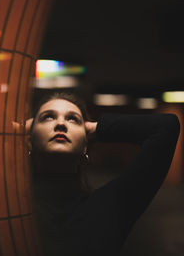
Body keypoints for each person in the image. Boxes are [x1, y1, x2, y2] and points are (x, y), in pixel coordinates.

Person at [26, 91, 180, 256]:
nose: (61, 124)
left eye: (73, 119)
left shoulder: (110, 206)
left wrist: (94, 128)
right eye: (48, 117)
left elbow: (166, 127)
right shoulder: (10, 207)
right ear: (30, 140)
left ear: (86, 145)